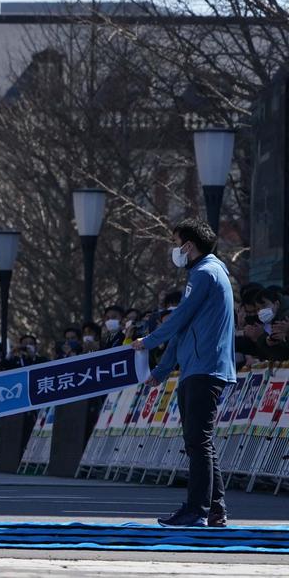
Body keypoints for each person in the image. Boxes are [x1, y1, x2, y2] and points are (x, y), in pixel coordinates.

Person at [133, 218, 236, 528]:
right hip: (197, 367)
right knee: (199, 441)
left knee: (198, 441)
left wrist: (148, 342)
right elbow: (183, 330)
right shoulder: (207, 272)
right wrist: (163, 370)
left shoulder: (205, 273)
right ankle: (214, 508)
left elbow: (179, 318)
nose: (176, 250)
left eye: (177, 243)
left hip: (205, 367)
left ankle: (196, 509)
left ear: (189, 245)